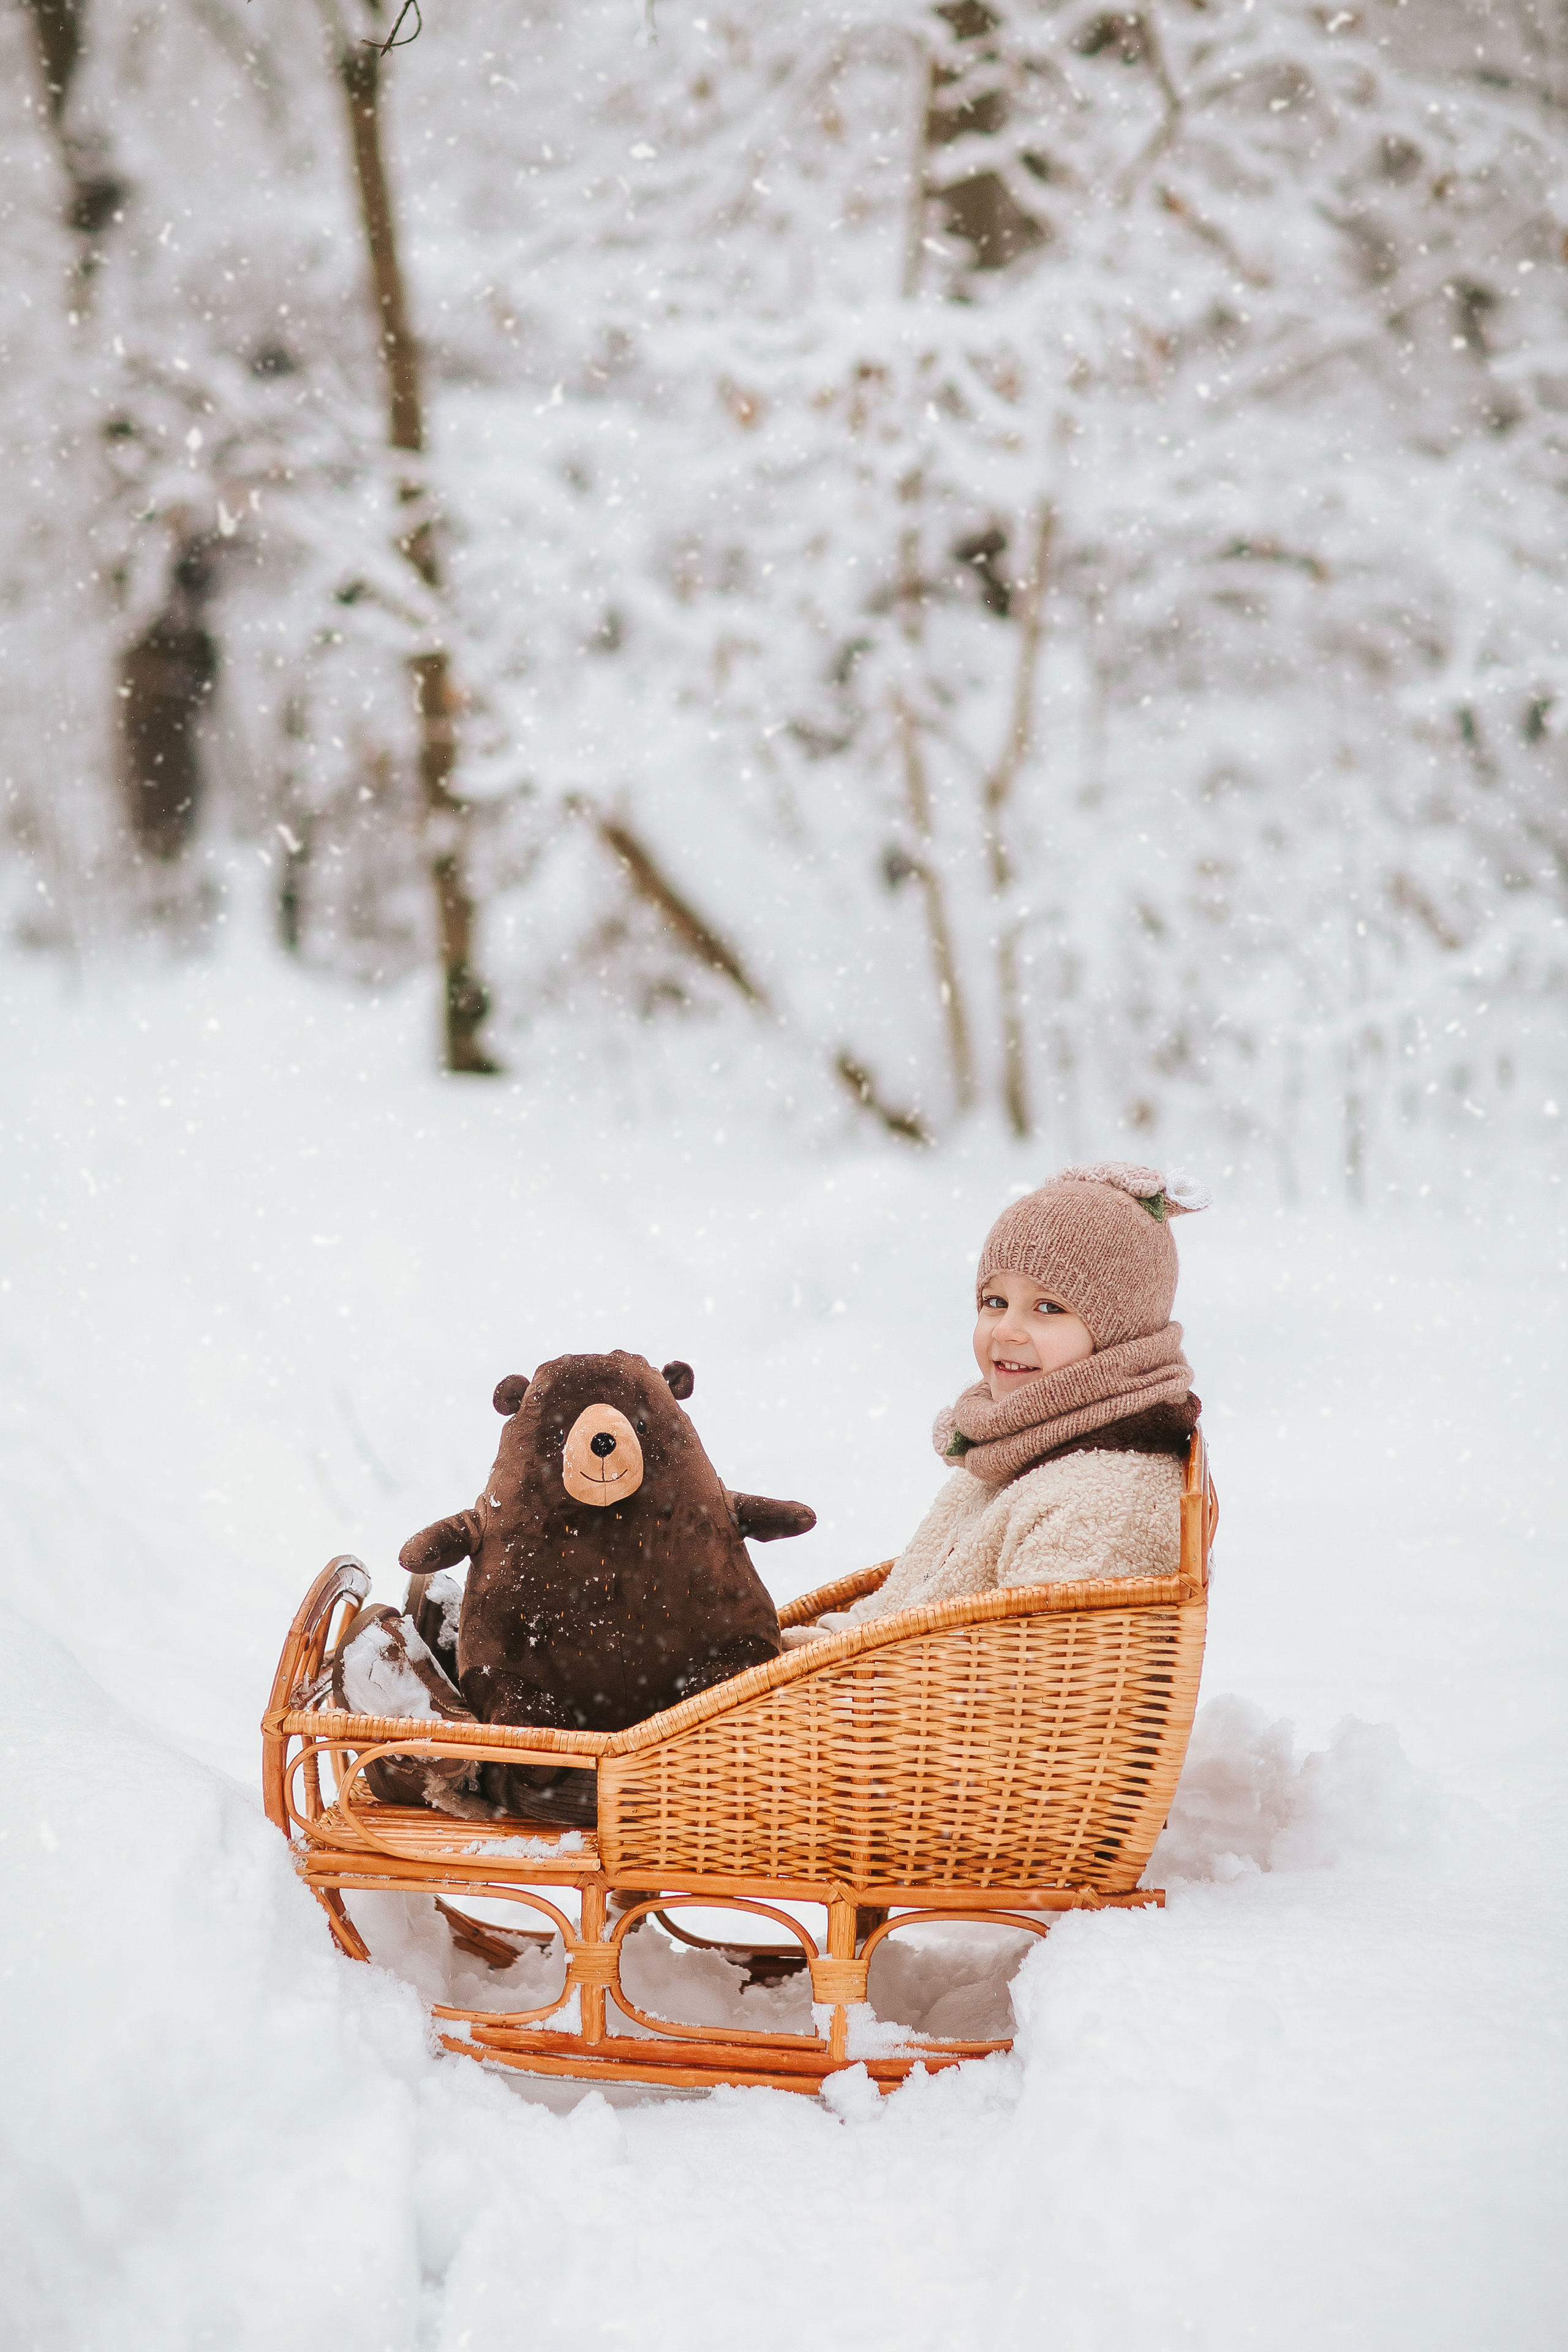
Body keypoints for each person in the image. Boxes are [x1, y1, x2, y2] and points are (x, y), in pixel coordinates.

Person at [811, 1161, 1208, 1634]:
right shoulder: (1014, 1449)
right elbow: (897, 1611)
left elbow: (1029, 1671)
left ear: (1119, 1335)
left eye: (1048, 1307)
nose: (1005, 1329)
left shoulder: (1100, 1500)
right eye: (995, 1302)